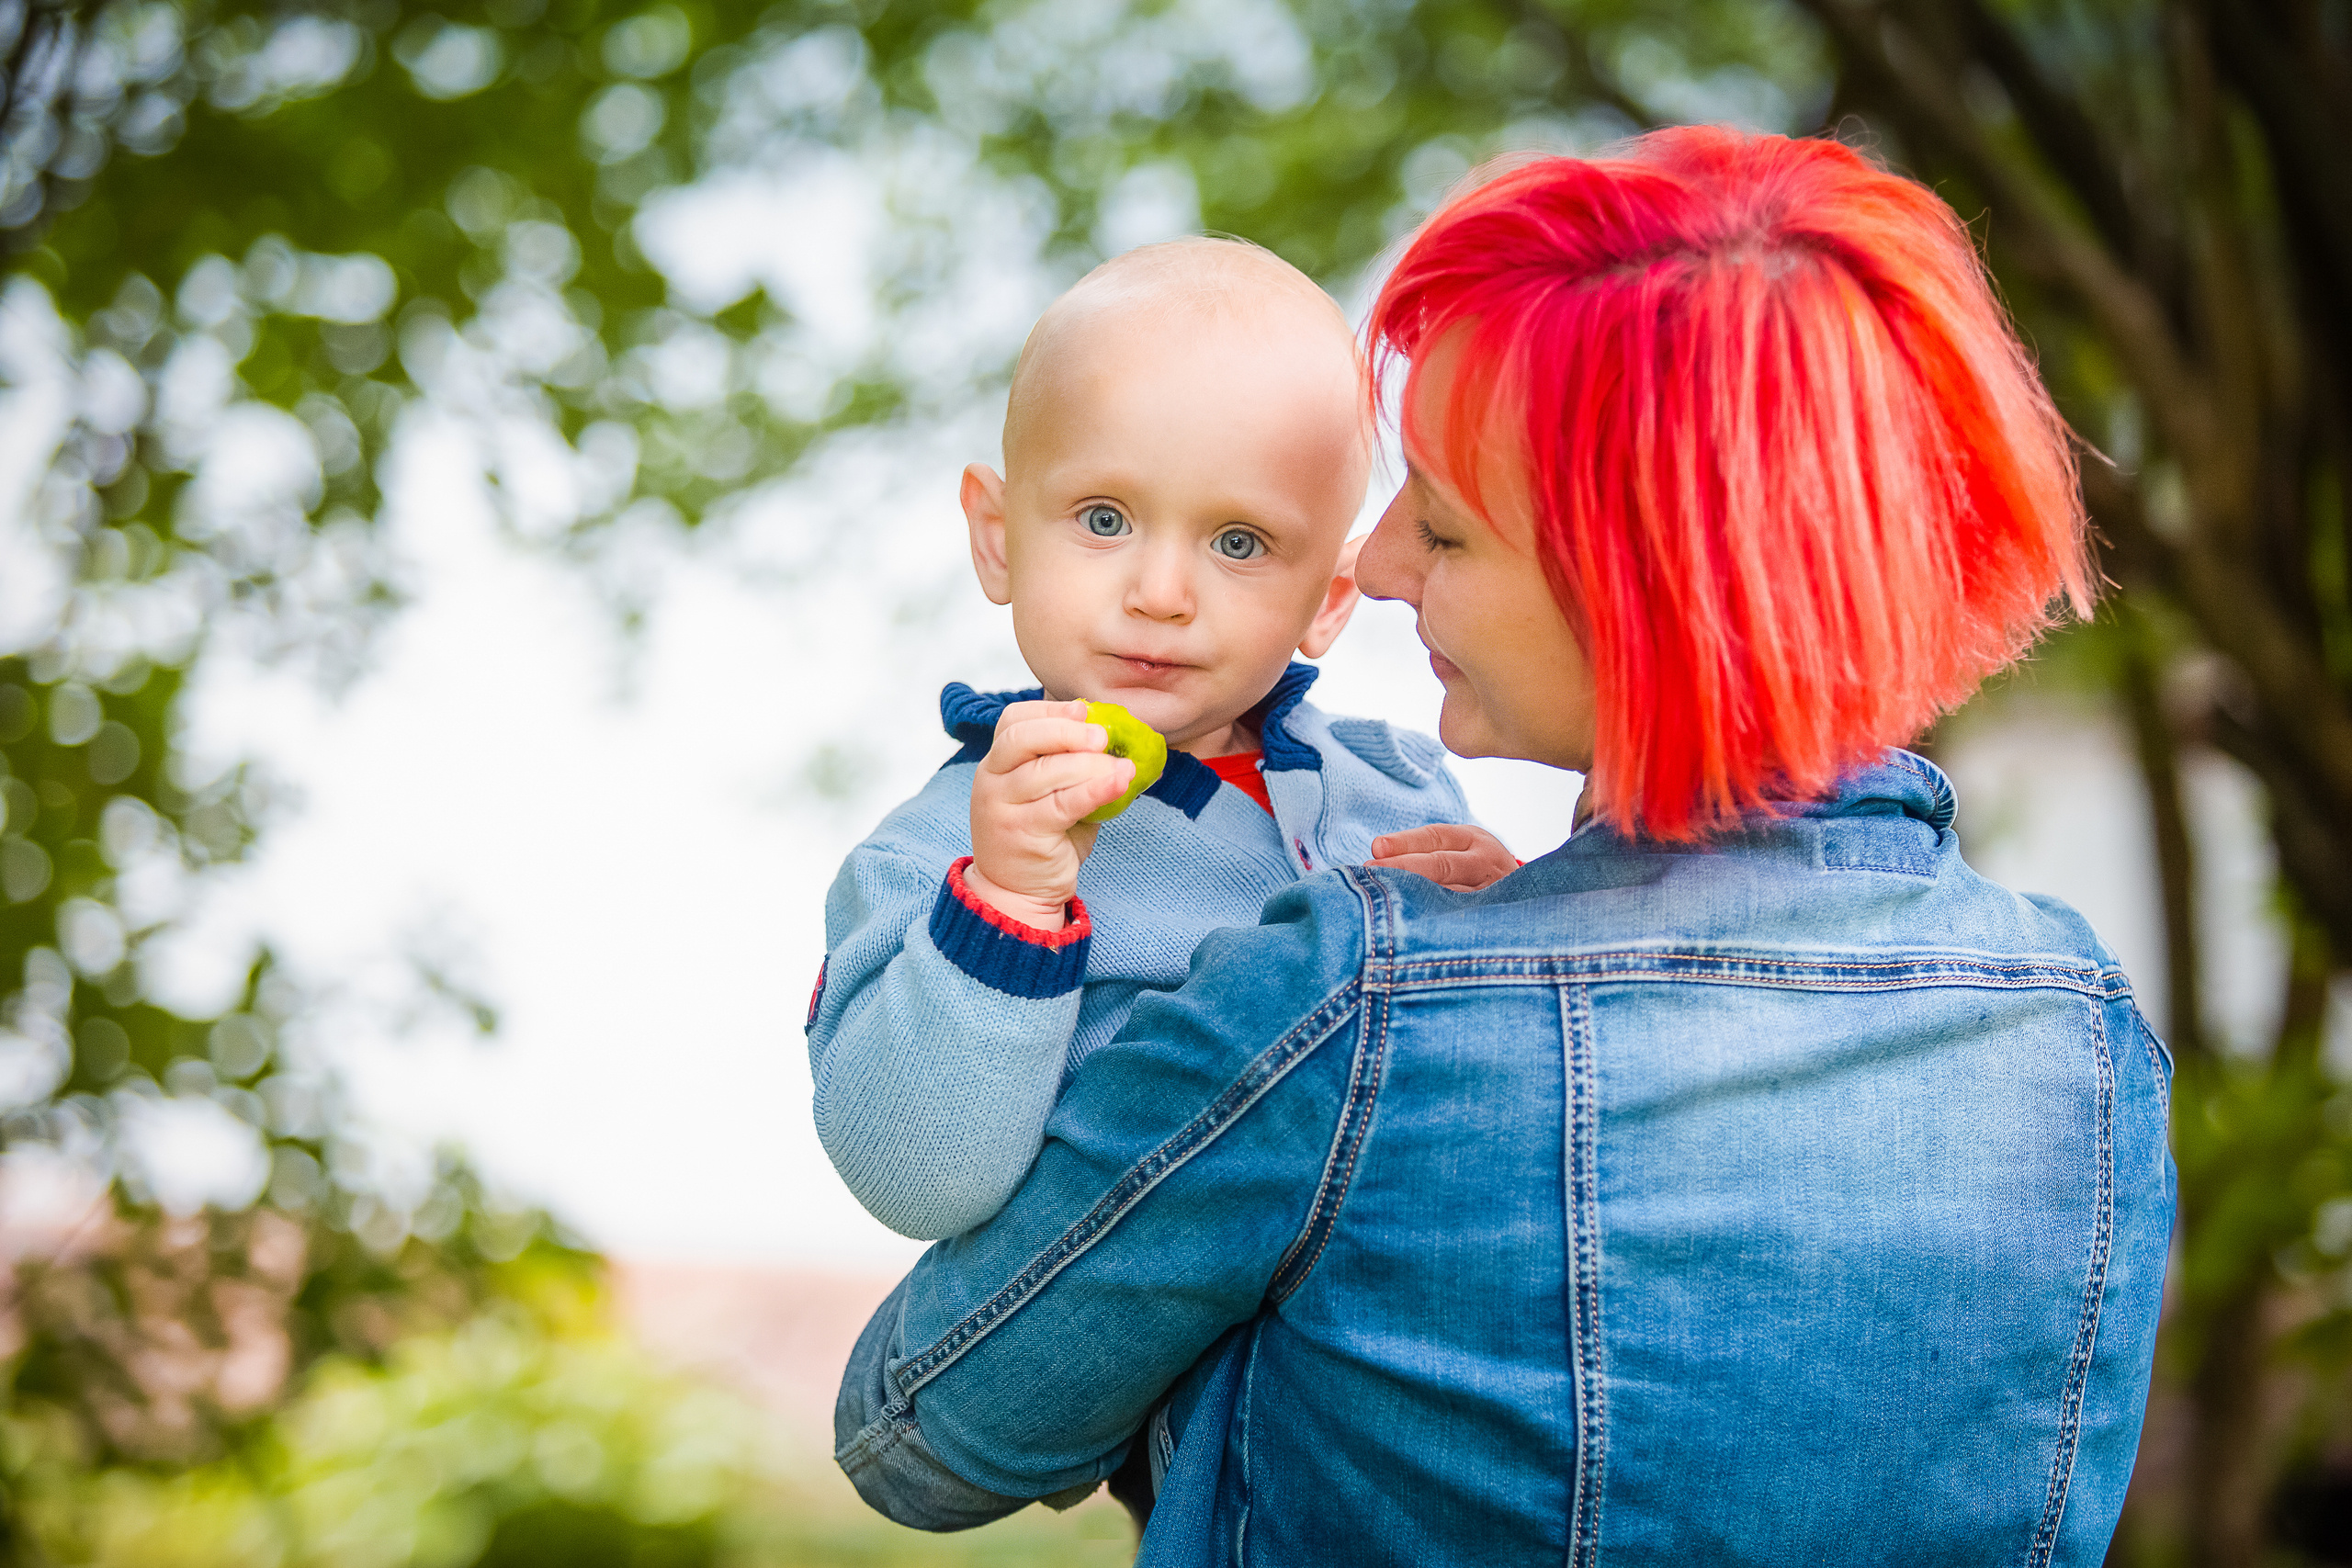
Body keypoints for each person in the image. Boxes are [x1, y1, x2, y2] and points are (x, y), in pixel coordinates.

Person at [831, 127, 2176, 1564]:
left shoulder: (1362, 997)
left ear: (1638, 589)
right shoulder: (2087, 1026)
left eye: (1450, 530)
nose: (1387, 564)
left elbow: (915, 1433)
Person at [808, 238, 1518, 1243]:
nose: (1160, 595)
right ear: (998, 536)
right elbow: (918, 1184)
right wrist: (1008, 904)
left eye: (1239, 543)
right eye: (1104, 519)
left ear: (1329, 600)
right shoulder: (944, 854)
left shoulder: (1403, 794)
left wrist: (1511, 938)